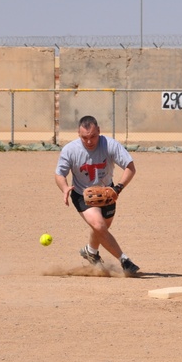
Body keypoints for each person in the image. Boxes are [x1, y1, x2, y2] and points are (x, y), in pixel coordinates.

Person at [55, 115, 141, 277]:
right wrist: (65, 188)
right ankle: (125, 260)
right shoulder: (70, 150)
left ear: (99, 131)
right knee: (99, 226)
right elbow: (59, 174)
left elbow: (130, 167)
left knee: (101, 229)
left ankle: (91, 251)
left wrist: (118, 188)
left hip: (107, 193)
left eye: (93, 136)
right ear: (78, 134)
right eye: (84, 138)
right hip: (82, 195)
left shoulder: (110, 145)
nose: (89, 141)